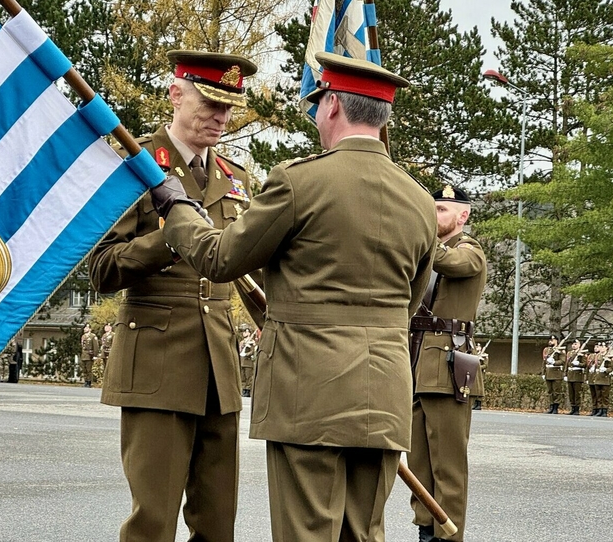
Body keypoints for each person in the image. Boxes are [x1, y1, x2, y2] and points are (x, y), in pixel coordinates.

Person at [153, 51, 435, 542]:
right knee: (364, 534)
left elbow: (221, 260)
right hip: (386, 394)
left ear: (331, 107)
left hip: (309, 395)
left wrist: (178, 208)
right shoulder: (419, 201)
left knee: (308, 533)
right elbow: (412, 300)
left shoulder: (299, 181)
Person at [88, 50, 257, 542]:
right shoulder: (137, 165)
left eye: (228, 107)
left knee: (217, 524)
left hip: (218, 370)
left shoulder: (236, 180)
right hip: (158, 365)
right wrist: (172, 237)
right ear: (175, 94)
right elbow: (102, 267)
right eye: (209, 102)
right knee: (153, 524)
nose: (219, 117)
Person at [407, 184, 487, 542]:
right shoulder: (427, 253)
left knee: (448, 465)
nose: (434, 215)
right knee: (420, 463)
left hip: (449, 364)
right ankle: (426, 528)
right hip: (417, 363)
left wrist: (417, 232)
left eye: (441, 210)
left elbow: (450, 263)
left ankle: (448, 536)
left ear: (463, 216)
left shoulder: (470, 251)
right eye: (432, 209)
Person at [542, 336, 566, 414]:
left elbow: (562, 361)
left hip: (556, 373)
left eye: (552, 340)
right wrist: (543, 372)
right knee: (550, 391)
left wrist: (554, 362)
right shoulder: (547, 350)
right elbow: (544, 362)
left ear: (556, 341)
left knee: (556, 391)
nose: (550, 341)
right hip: (548, 372)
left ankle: (556, 407)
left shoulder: (560, 350)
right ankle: (551, 406)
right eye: (549, 340)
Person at [591, 342, 613, 417]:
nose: (601, 348)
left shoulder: (609, 356)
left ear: (606, 348)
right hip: (597, 378)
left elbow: (611, 368)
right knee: (598, 396)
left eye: (603, 347)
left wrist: (605, 370)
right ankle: (599, 409)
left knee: (605, 396)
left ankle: (604, 410)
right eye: (600, 347)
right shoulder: (597, 356)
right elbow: (595, 366)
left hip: (605, 379)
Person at [566, 339, 587, 415]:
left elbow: (585, 364)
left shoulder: (582, 353)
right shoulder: (569, 353)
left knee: (577, 393)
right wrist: (565, 374)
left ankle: (577, 409)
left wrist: (578, 363)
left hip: (577, 375)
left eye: (575, 344)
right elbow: (567, 364)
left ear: (579, 345)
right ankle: (573, 407)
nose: (573, 345)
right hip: (570, 375)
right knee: (571, 393)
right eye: (573, 344)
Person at [238, 324, 256, 398]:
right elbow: (239, 350)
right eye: (244, 332)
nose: (244, 333)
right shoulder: (242, 342)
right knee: (243, 377)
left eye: (246, 332)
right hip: (242, 362)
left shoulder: (252, 342)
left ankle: (248, 390)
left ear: (249, 333)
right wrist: (242, 347)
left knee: (249, 377)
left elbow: (252, 351)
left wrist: (246, 354)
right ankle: (243, 389)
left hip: (248, 362)